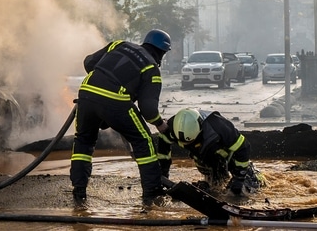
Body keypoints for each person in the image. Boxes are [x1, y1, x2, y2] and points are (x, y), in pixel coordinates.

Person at [70, 29, 171, 207]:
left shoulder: (119, 44)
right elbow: (148, 110)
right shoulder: (151, 68)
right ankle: (152, 195)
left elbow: (89, 62)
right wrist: (160, 124)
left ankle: (79, 192)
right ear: (162, 52)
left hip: (85, 94)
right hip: (116, 100)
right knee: (144, 141)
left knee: (83, 142)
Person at [157, 108, 264, 196]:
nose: (186, 145)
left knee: (244, 190)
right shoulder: (171, 128)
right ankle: (211, 185)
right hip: (204, 158)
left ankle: (253, 177)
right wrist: (163, 175)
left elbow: (243, 147)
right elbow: (163, 153)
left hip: (229, 156)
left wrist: (239, 178)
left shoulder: (219, 127)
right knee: (214, 189)